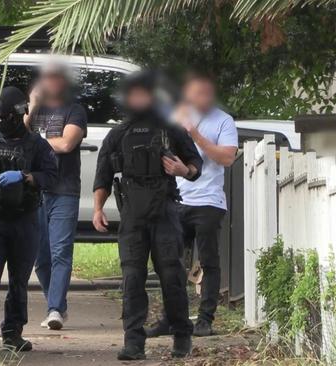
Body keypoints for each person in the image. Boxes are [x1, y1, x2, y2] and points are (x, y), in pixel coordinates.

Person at [92, 71, 203, 360]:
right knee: (132, 278)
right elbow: (102, 177)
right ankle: (133, 343)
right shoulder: (118, 134)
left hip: (165, 210)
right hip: (132, 215)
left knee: (171, 275)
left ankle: (181, 336)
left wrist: (184, 170)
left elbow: (195, 163)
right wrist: (97, 209)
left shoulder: (171, 129)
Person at [145, 71, 238, 338]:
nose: (201, 98)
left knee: (209, 261)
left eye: (206, 93)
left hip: (208, 201)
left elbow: (227, 158)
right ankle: (170, 318)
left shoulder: (223, 121)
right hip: (176, 199)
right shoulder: (174, 118)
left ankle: (205, 319)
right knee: (169, 261)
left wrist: (196, 135)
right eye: (196, 93)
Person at [0, 86, 58, 351]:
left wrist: (25, 177)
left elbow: (52, 177)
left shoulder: (37, 145)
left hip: (25, 219)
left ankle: (12, 333)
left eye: (7, 117)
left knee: (19, 281)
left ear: (19, 114)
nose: (2, 123)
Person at [25, 64, 87, 330]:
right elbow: (17, 135)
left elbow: (65, 144)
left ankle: (53, 309)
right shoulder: (35, 110)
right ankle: (57, 305)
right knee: (40, 256)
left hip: (64, 190)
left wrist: (35, 142)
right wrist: (32, 103)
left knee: (60, 251)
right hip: (36, 190)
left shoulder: (75, 110)